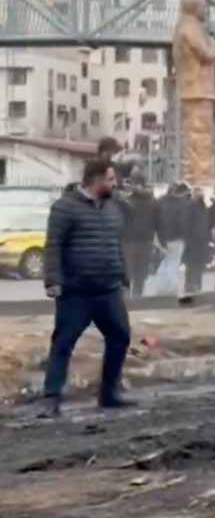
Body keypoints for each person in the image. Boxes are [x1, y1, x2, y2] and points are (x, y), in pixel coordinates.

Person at [40, 160, 134, 418]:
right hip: (76, 292)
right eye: (111, 179)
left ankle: (109, 394)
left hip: (108, 290)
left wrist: (124, 279)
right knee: (63, 342)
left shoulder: (113, 208)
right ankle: (51, 399)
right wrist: (52, 280)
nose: (115, 184)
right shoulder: (65, 207)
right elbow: (53, 245)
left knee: (120, 336)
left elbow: (116, 245)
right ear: (96, 179)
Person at [151, 182, 190, 298]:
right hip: (176, 238)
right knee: (173, 263)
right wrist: (185, 236)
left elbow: (154, 219)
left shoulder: (159, 201)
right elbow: (183, 222)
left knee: (164, 262)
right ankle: (171, 289)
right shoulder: (182, 203)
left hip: (161, 238)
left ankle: (161, 287)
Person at [122, 175, 158, 297]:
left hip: (132, 241)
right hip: (140, 240)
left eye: (135, 184)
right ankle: (136, 295)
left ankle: (131, 295)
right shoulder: (152, 201)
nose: (134, 186)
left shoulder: (127, 201)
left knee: (132, 270)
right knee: (138, 271)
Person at [182, 186, 210, 296]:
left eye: (201, 192)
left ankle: (197, 285)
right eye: (197, 192)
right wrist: (188, 240)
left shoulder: (203, 206)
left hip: (201, 241)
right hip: (192, 241)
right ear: (193, 194)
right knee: (191, 265)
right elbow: (186, 224)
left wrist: (208, 238)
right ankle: (189, 286)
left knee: (199, 265)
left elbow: (206, 224)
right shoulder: (189, 206)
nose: (200, 194)